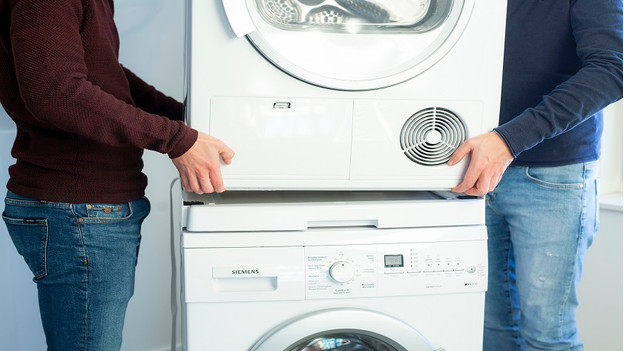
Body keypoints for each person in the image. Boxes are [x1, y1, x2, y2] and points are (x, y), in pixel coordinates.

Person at [0, 0, 234, 350]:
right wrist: (175, 138)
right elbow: (57, 91)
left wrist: (189, 120)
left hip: (85, 211)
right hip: (79, 212)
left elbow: (104, 73)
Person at [448, 1, 623, 350]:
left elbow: (612, 70)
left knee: (547, 338)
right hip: (465, 167)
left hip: (551, 176)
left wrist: (508, 140)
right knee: (490, 330)